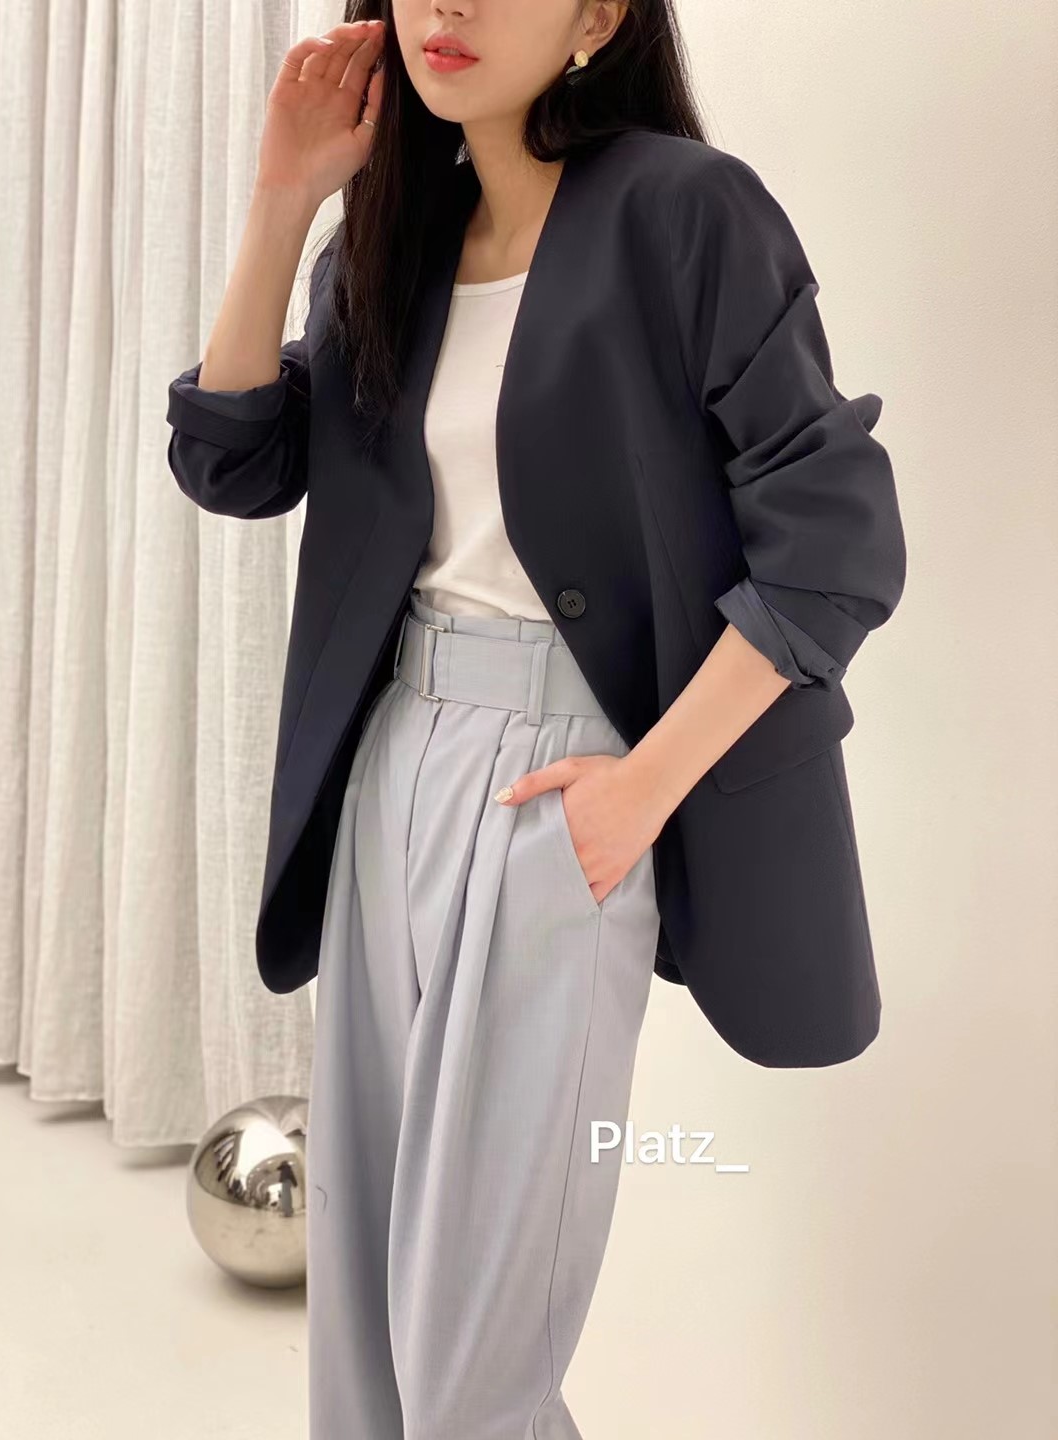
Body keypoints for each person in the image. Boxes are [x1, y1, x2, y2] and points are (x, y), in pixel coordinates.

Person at [165, 6, 906, 1436]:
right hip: (390, 757)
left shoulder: (684, 212)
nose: (448, 6)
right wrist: (283, 197)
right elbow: (233, 461)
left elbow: (835, 540)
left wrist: (642, 791)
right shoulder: (392, 245)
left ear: (596, 17)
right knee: (364, 1327)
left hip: (561, 782)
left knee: (474, 1364)